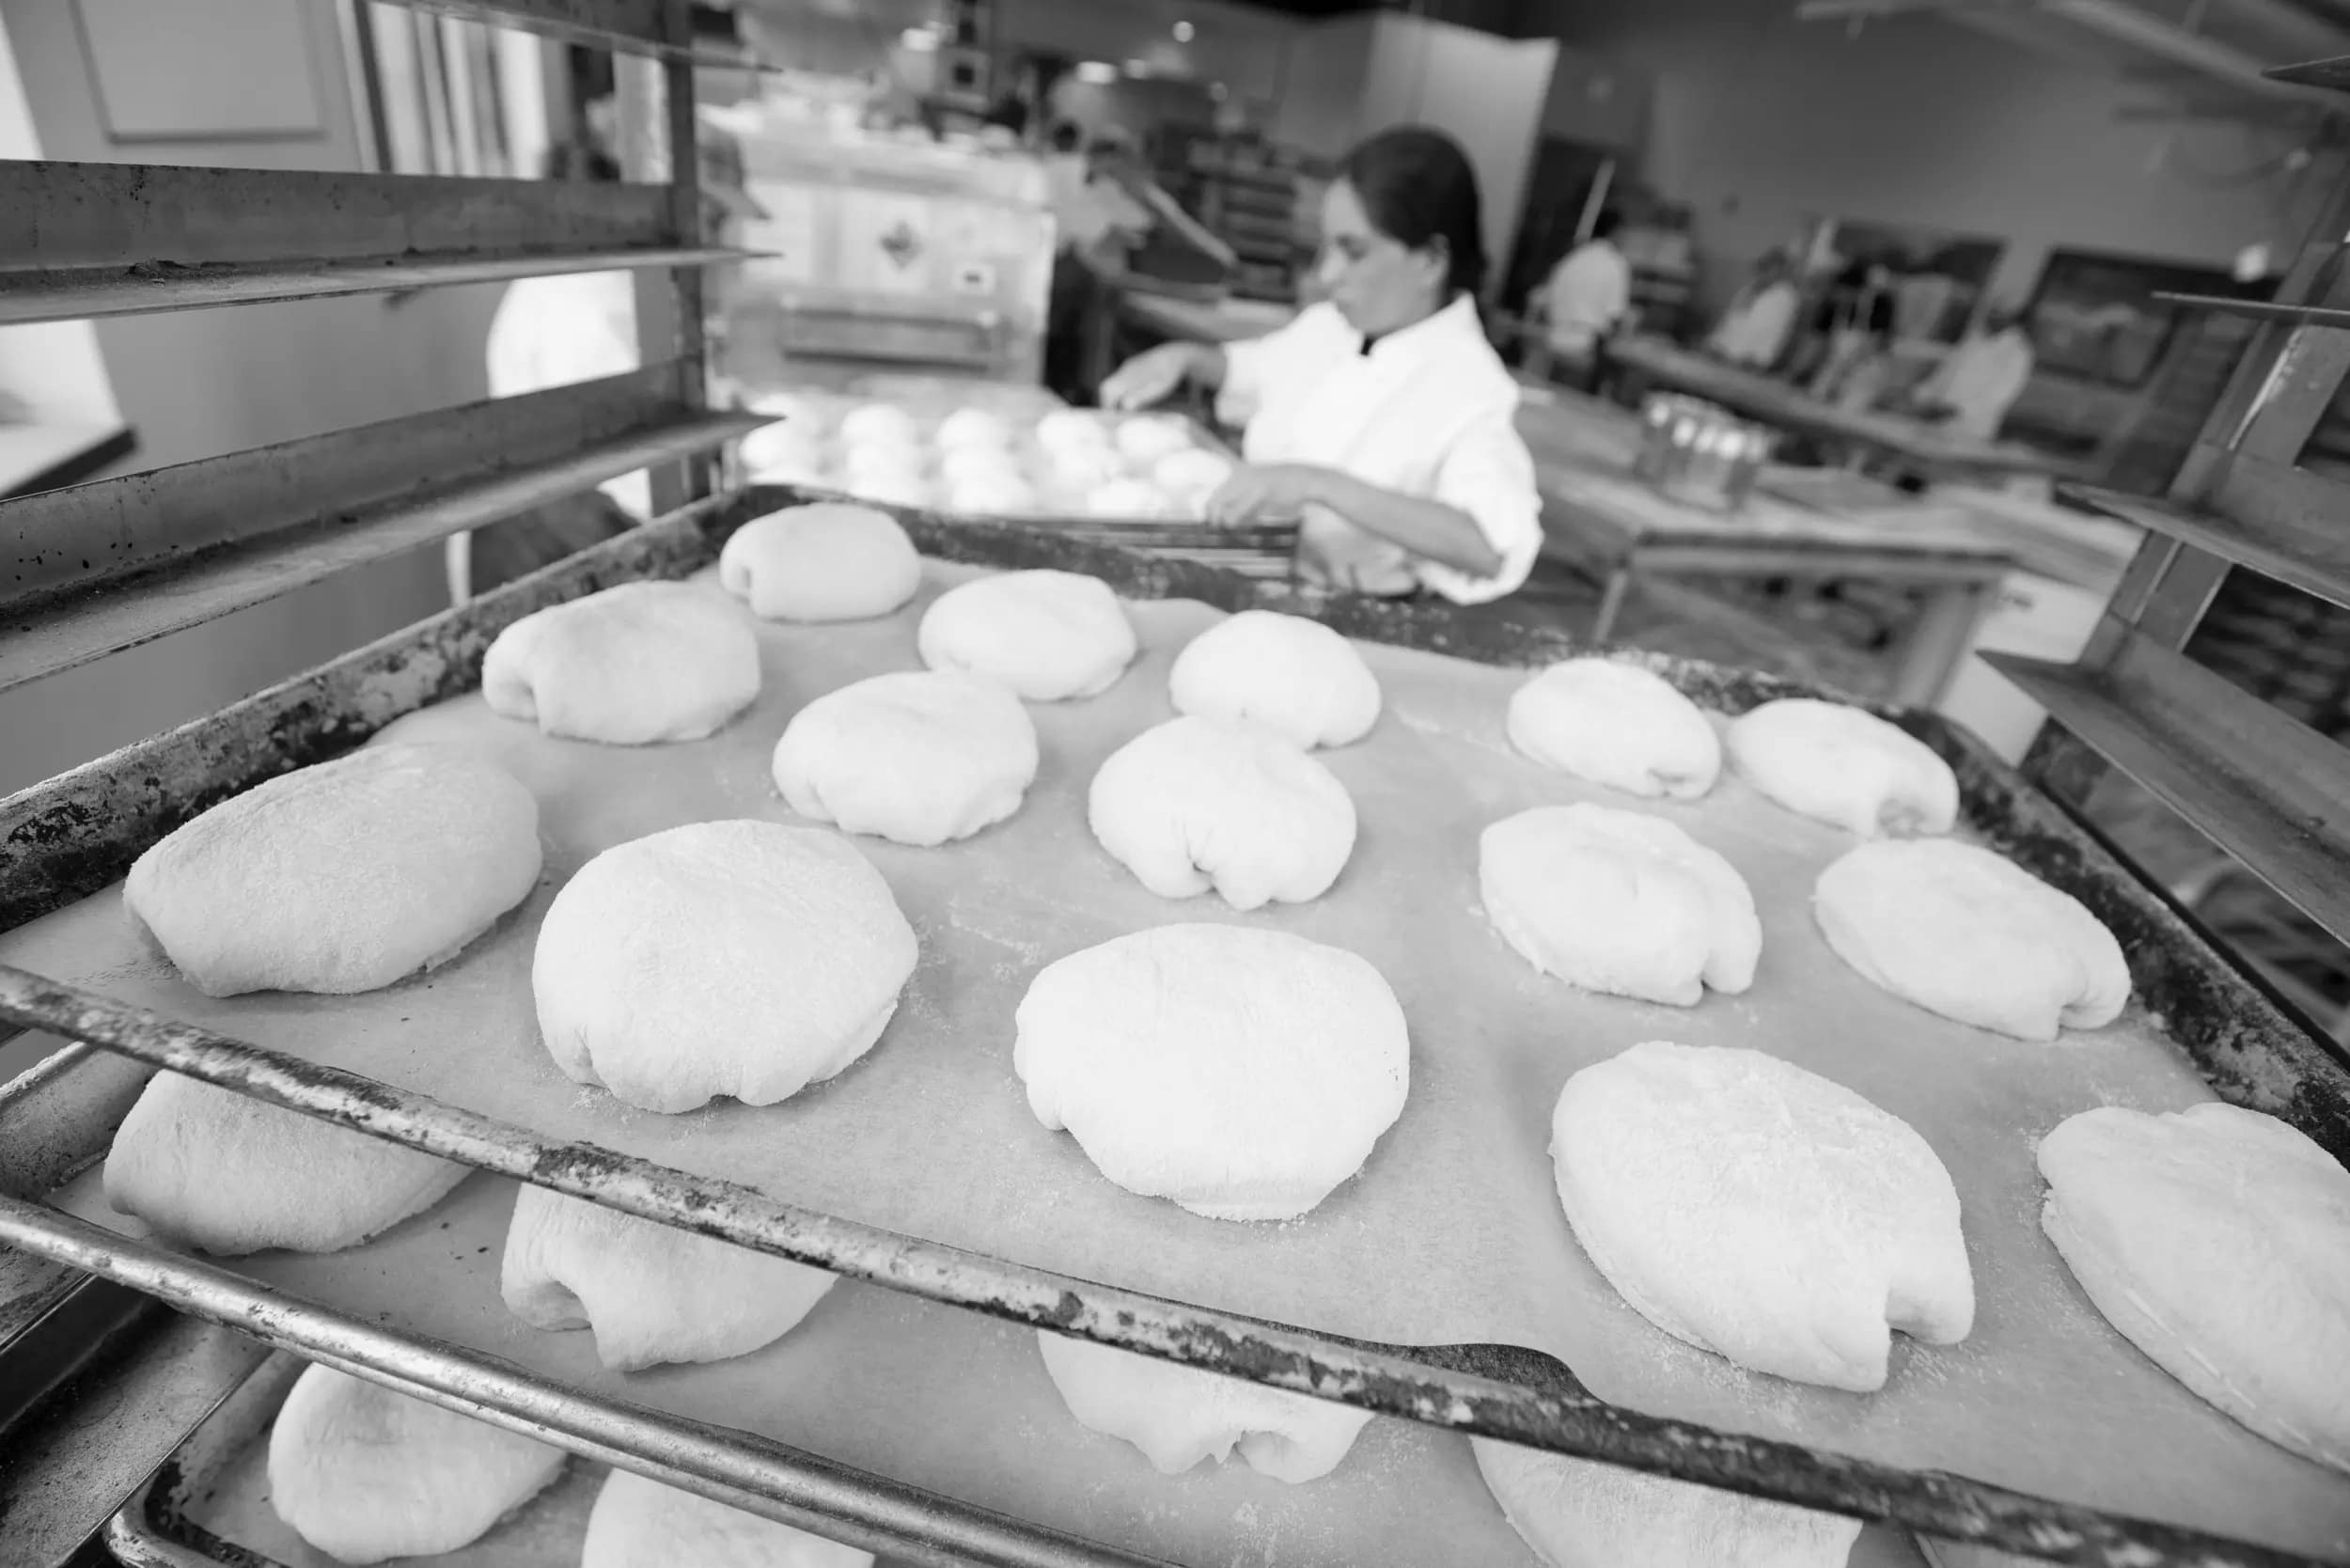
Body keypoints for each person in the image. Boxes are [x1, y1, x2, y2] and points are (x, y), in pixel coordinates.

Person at [1099, 126, 1542, 605]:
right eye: (1327, 247)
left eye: (1354, 252)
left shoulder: (1471, 386)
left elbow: (1490, 546)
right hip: (1255, 578)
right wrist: (1184, 358)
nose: (1328, 274)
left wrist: (1316, 484)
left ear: (1431, 261)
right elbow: (1253, 370)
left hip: (1359, 615)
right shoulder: (1331, 327)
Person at [1895, 303, 2035, 441]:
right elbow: (1946, 372)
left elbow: (2000, 395)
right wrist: (1918, 394)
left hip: (1970, 427)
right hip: (1934, 417)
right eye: (1992, 311)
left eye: (1999, 314)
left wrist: (1957, 411)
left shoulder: (2018, 352)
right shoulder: (1974, 339)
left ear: (2012, 319)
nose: (1991, 316)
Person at [1530, 209, 1631, 387]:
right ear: (1615, 231)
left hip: (1551, 341)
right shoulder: (1615, 264)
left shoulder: (1573, 257)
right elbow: (1615, 315)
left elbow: (1542, 298)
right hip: (1583, 349)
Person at [1705, 249, 1801, 370]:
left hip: (1750, 362)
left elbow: (1773, 333)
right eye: (1763, 268)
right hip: (1724, 355)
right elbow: (1729, 322)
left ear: (1781, 272)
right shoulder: (1747, 291)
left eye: (1770, 269)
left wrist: (1757, 360)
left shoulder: (1785, 296)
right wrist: (1715, 343)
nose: (1763, 273)